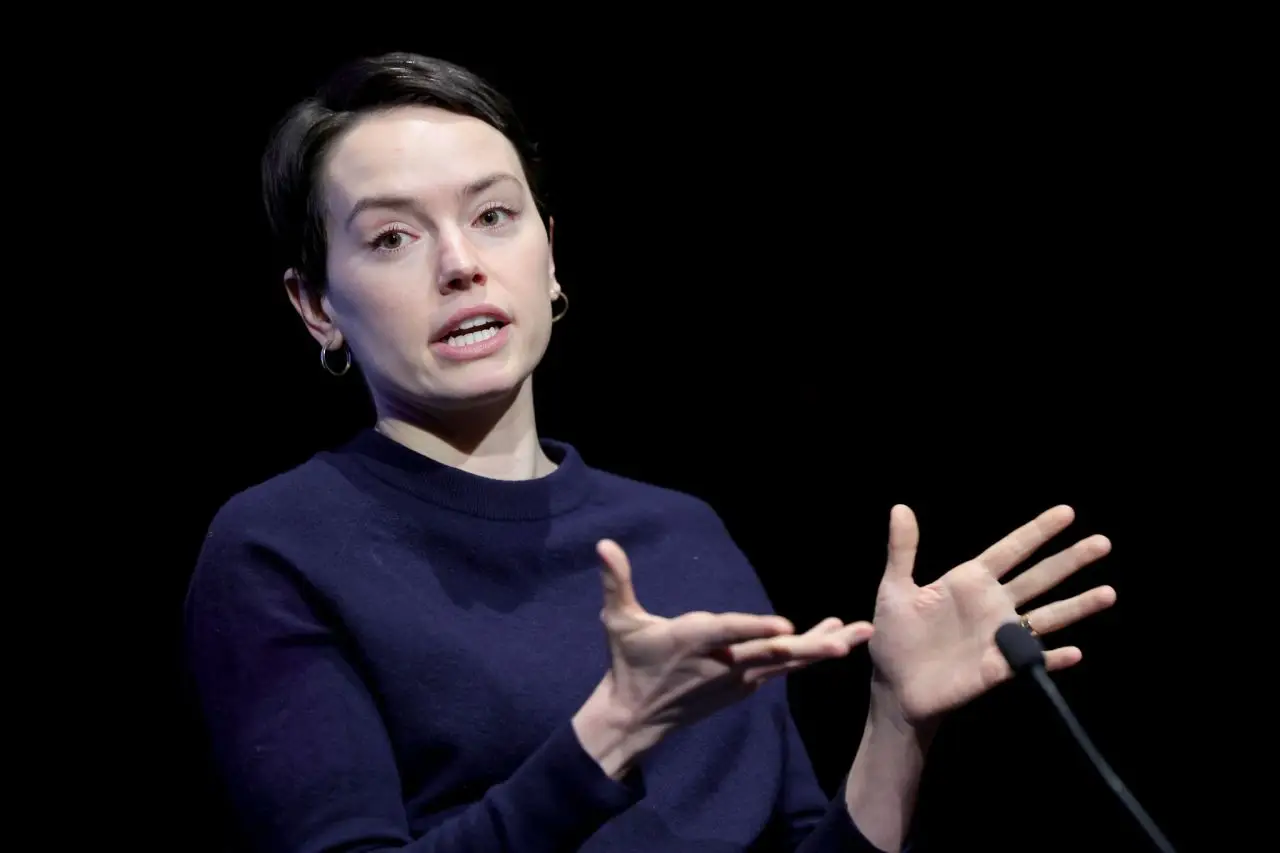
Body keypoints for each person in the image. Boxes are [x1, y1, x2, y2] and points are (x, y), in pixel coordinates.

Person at [183, 52, 1119, 853]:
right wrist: (613, 728)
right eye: (392, 236)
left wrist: (897, 723)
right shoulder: (281, 547)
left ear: (549, 257)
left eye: (495, 216)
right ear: (316, 305)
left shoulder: (680, 532)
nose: (459, 263)